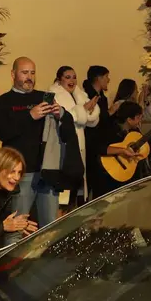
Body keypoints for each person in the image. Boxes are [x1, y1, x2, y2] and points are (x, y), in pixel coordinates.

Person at [0, 57, 83, 241]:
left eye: (32, 73)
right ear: (13, 74)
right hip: (19, 174)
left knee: (50, 228)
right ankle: (12, 266)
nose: (29, 77)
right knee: (17, 227)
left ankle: (46, 265)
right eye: (24, 72)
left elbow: (67, 129)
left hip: (47, 172)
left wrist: (60, 115)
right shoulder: (2, 102)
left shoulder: (44, 97)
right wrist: (30, 116)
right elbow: (2, 132)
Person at [90, 101, 151, 198]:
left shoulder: (135, 132)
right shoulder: (109, 129)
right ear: (129, 119)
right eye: (138, 117)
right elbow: (97, 147)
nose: (140, 121)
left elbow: (148, 150)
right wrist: (122, 150)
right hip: (107, 180)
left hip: (129, 180)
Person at [50, 66, 100, 205]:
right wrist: (83, 109)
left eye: (74, 77)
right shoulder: (53, 96)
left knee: (76, 192)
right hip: (63, 146)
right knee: (63, 195)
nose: (72, 80)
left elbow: (90, 121)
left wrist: (89, 110)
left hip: (79, 146)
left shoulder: (80, 95)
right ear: (59, 80)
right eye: (67, 77)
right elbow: (61, 118)